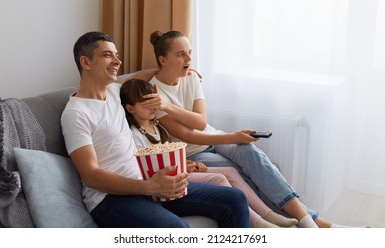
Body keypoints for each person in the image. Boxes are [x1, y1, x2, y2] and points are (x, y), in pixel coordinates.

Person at [143, 29, 351, 228]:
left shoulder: (190, 78)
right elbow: (189, 134)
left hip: (215, 137)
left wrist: (169, 106)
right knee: (244, 176)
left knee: (252, 155)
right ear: (163, 59)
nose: (188, 60)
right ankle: (316, 225)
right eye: (180, 55)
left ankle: (308, 220)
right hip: (194, 153)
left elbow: (201, 120)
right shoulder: (153, 93)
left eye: (189, 53)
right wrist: (165, 105)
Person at [60, 31, 251, 228]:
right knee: (178, 230)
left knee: (235, 199)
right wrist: (148, 186)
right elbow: (91, 176)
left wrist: (182, 69)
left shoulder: (115, 91)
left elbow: (142, 76)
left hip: (146, 184)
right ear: (86, 62)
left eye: (117, 55)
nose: (117, 61)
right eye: (108, 55)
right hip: (110, 199)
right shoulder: (76, 113)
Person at [120, 78, 299, 228]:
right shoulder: (134, 135)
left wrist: (188, 165)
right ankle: (260, 223)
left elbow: (168, 157)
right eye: (146, 104)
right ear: (130, 108)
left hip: (180, 170)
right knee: (219, 179)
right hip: (167, 180)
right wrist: (185, 170)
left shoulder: (156, 126)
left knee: (231, 172)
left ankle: (268, 215)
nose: (153, 108)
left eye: (154, 102)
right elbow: (149, 168)